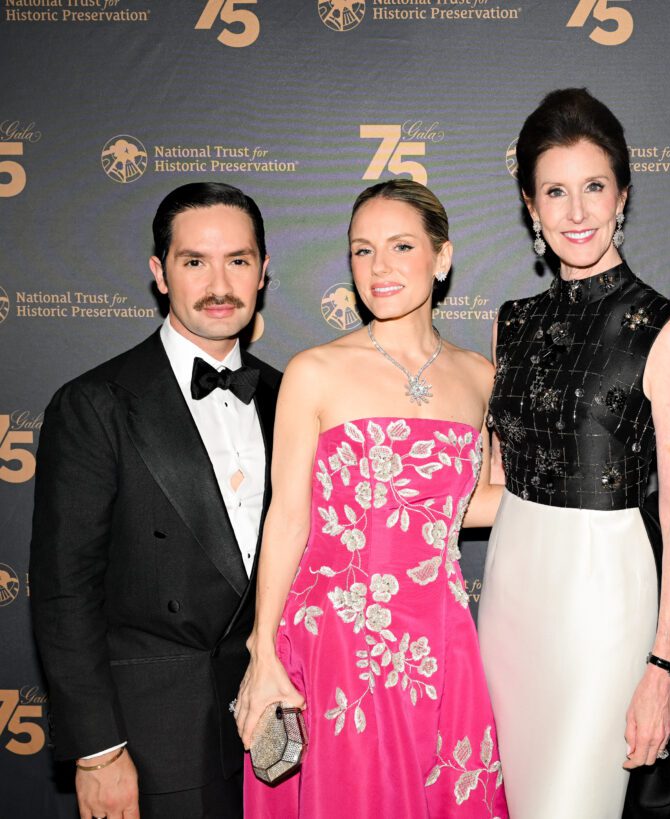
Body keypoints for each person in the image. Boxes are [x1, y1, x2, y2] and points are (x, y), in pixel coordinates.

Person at [235, 179, 508, 819]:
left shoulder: (481, 377)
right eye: (362, 251)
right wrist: (263, 648)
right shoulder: (315, 371)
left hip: (442, 636)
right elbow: (288, 517)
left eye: (400, 246)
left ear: (442, 259)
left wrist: (584, 494)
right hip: (335, 638)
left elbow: (469, 504)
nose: (379, 268)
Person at [476, 88, 670, 818]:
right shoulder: (509, 324)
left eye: (594, 188)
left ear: (622, 195)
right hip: (511, 598)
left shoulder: (665, 331)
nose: (576, 212)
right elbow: (493, 485)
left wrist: (660, 668)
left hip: (608, 606)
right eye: (555, 191)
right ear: (530, 205)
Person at [30, 182, 281, 819]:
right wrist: (98, 751)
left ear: (263, 270)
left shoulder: (291, 395)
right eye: (195, 261)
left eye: (239, 260)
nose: (219, 283)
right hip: (152, 738)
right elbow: (65, 590)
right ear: (159, 273)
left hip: (277, 728)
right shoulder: (96, 403)